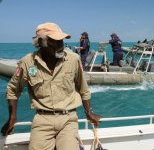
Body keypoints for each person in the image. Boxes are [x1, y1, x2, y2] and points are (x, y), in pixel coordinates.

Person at [1, 22, 101, 150]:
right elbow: (13, 90)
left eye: (62, 40)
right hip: (42, 119)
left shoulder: (73, 59)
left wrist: (89, 113)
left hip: (68, 119)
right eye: (55, 41)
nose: (61, 44)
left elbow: (83, 89)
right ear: (41, 42)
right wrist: (12, 118)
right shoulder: (27, 63)